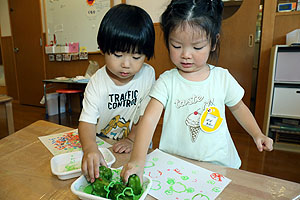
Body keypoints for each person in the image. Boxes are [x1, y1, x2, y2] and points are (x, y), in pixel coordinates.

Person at [121, 0, 273, 182]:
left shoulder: (222, 78)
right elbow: (150, 118)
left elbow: (238, 108)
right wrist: (137, 160)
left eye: (197, 47)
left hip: (219, 165)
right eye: (176, 46)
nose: (186, 54)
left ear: (213, 43)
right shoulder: (167, 81)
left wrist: (257, 134)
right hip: (176, 164)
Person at [78, 3, 155, 183]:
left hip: (137, 147)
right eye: (118, 55)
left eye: (136, 57)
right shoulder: (97, 82)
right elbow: (86, 122)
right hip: (105, 145)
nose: (126, 64)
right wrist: (90, 148)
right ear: (103, 49)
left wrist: (131, 139)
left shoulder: (148, 74)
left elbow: (146, 116)